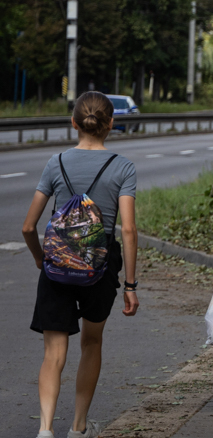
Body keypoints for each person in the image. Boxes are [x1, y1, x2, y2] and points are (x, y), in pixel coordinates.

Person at [21, 91, 140, 438]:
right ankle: (78, 427)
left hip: (57, 266)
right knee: (91, 342)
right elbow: (129, 229)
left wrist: (42, 260)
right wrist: (130, 286)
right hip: (99, 267)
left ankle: (45, 429)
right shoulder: (123, 166)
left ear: (73, 123)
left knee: (53, 350)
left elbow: (28, 226)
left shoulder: (55, 162)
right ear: (111, 125)